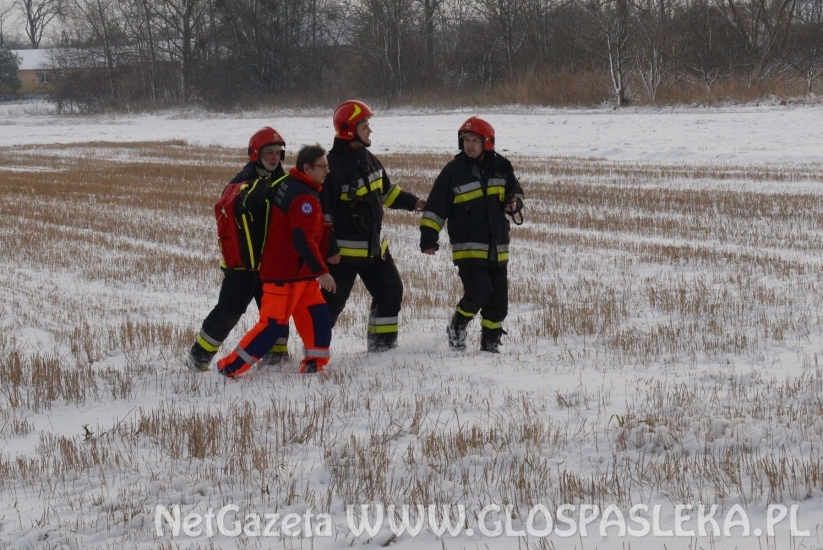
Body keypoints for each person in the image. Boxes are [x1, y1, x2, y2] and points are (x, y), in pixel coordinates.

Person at [217, 144, 337, 377]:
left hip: (301, 274)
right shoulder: (304, 197)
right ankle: (228, 368)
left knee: (318, 319)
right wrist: (322, 271)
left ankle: (315, 364)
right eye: (323, 167)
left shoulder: (292, 184)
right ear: (307, 168)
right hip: (284, 276)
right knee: (271, 328)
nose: (327, 171)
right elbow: (302, 237)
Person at [321, 100, 426, 352]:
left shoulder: (369, 159)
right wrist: (330, 249)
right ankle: (315, 351)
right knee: (330, 305)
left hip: (375, 250)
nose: (370, 130)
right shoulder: (331, 168)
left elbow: (387, 193)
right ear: (349, 130)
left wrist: (414, 202)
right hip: (342, 256)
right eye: (364, 126)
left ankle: (382, 348)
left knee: (390, 292)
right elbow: (323, 217)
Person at [186, 127, 291, 371]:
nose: (274, 157)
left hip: (270, 264)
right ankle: (198, 358)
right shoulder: (243, 182)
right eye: (269, 153)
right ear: (256, 154)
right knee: (229, 312)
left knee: (276, 311)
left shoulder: (281, 180)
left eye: (278, 153)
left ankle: (277, 358)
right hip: (242, 266)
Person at [419, 116, 525, 353]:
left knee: (498, 302)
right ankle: (457, 326)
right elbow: (436, 207)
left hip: (497, 248)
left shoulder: (502, 166)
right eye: (466, 140)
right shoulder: (452, 172)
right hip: (467, 249)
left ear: (487, 142)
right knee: (479, 293)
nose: (469, 144)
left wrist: (515, 203)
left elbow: (517, 192)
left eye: (475, 140)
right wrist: (429, 238)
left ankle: (490, 344)